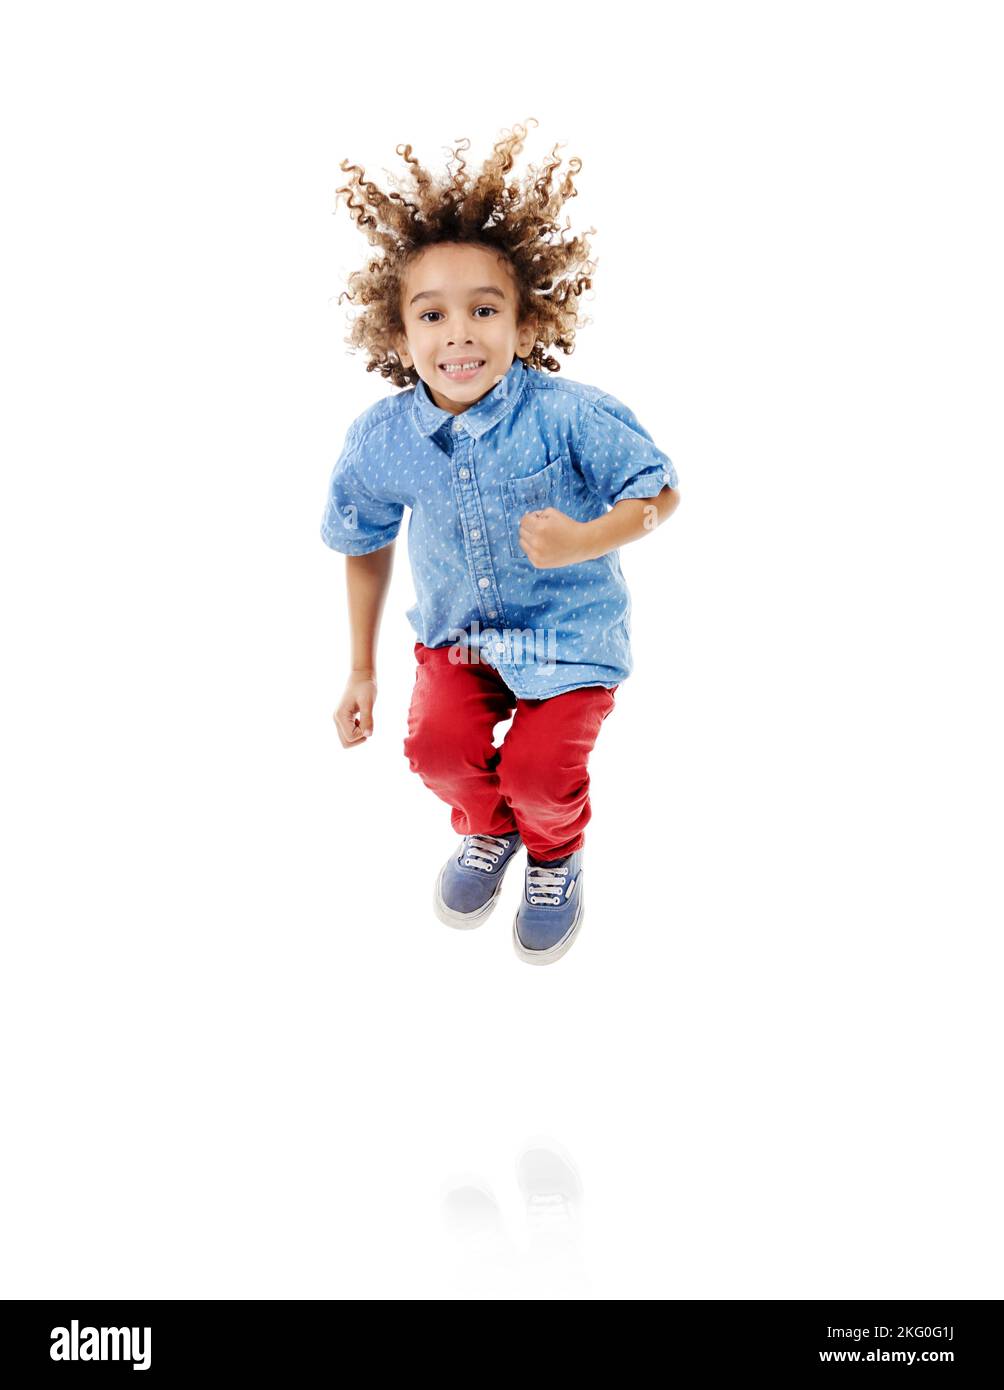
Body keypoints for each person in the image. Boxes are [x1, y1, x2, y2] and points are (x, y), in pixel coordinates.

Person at [321, 119, 681, 965]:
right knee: (436, 750)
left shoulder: (569, 413)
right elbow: (363, 540)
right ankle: (489, 833)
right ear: (397, 332)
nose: (460, 335)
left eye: (485, 310)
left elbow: (662, 490)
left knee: (536, 776)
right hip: (461, 640)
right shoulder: (382, 439)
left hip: (571, 639)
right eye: (432, 314)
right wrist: (363, 667)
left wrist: (590, 536)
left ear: (524, 320)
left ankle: (554, 852)